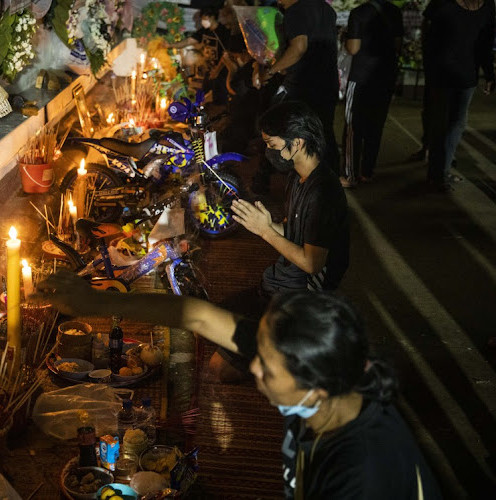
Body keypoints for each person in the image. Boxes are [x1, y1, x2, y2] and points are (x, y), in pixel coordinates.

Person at [33, 276, 443, 499]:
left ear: (316, 386)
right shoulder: (325, 376)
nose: (253, 367)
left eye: (266, 367)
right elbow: (199, 316)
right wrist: (99, 304)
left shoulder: (362, 472)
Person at [212, 101, 349, 381]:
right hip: (278, 281)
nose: (268, 152)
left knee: (218, 369)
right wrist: (261, 223)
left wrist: (266, 232)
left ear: (296, 143)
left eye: (272, 144)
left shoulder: (323, 193)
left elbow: (312, 263)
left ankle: (290, 367)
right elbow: (293, 232)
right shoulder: (298, 177)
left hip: (299, 296)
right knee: (213, 320)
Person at [251, 0, 340, 194]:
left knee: (274, 127)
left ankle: (264, 178)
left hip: (302, 86)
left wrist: (272, 70)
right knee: (323, 133)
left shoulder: (296, 10)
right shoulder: (326, 9)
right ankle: (329, 184)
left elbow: (299, 47)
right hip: (327, 82)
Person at [422, 0, 495, 193]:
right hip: (445, 74)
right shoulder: (445, 4)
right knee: (445, 123)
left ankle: (440, 172)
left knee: (455, 124)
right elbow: (429, 40)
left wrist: (489, 74)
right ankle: (438, 174)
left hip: (463, 75)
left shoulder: (487, 7)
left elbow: (485, 44)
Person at [340, 0, 404, 188]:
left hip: (360, 77)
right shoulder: (394, 12)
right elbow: (398, 45)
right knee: (375, 126)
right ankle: (367, 172)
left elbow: (353, 48)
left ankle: (350, 175)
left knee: (353, 127)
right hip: (384, 77)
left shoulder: (359, 13)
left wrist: (345, 37)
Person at [166, 7, 231, 105]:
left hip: (220, 73)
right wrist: (170, 45)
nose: (203, 21)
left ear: (212, 17)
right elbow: (188, 41)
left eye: (205, 18)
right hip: (208, 72)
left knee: (218, 100)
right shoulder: (203, 31)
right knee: (203, 98)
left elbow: (226, 55)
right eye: (202, 19)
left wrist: (217, 71)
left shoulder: (223, 32)